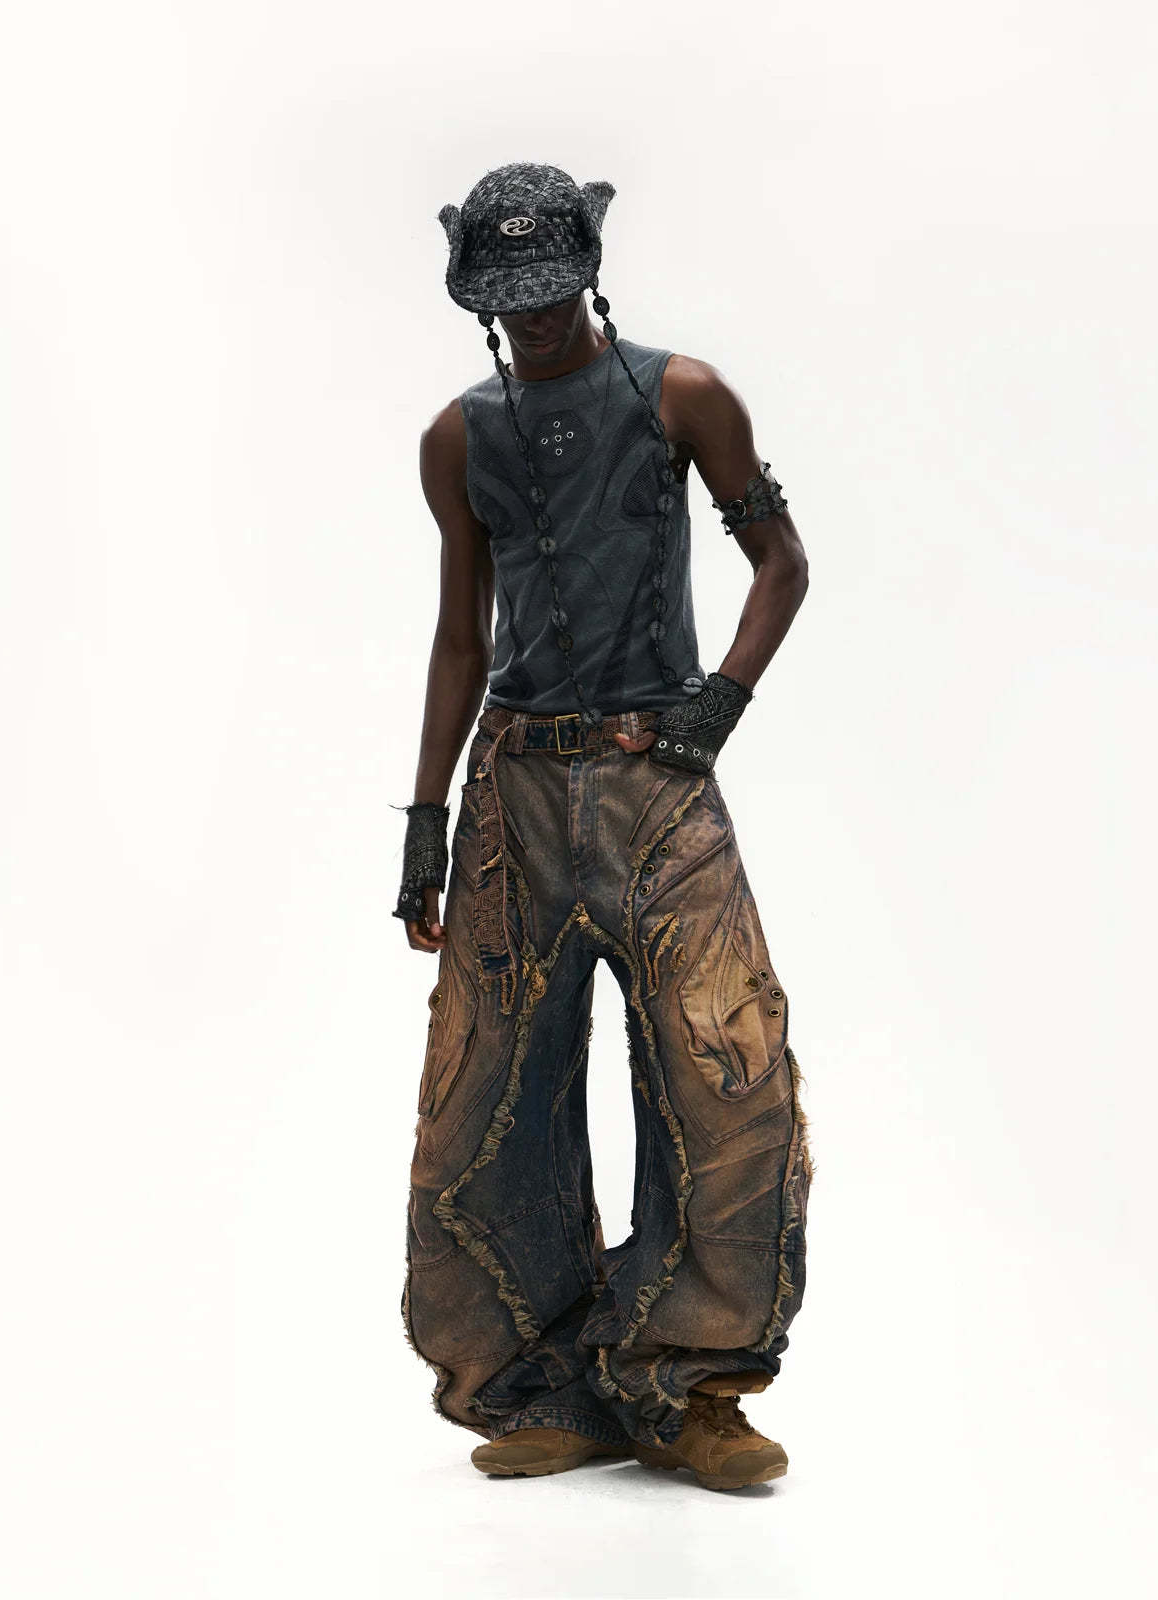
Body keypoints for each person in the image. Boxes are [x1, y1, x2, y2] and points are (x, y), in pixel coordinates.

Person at [393, 162, 814, 1492]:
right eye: (507, 299)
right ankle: (541, 1385)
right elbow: (460, 637)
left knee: (727, 1071)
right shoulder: (458, 438)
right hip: (512, 795)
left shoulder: (683, 395)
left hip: (656, 786)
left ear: (589, 267)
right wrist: (423, 825)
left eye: (551, 290)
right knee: (486, 1098)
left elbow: (783, 563)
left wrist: (713, 710)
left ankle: (693, 1388)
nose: (532, 317)